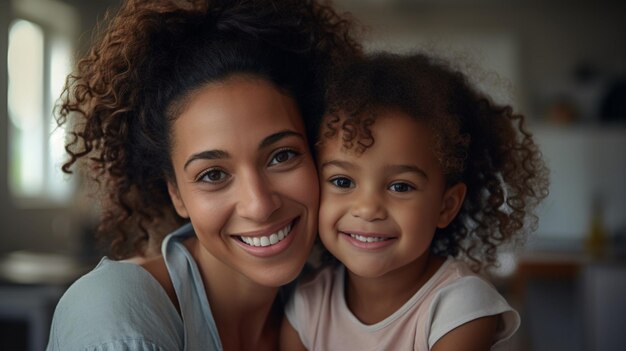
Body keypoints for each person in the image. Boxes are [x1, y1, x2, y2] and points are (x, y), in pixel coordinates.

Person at [47, 0, 360, 350]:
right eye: (213, 175)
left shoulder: (329, 310)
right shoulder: (114, 311)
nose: (259, 205)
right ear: (176, 194)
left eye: (281, 156)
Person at [281, 52, 549, 350]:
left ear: (446, 206)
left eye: (400, 186)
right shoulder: (308, 302)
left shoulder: (460, 307)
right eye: (343, 182)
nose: (368, 208)